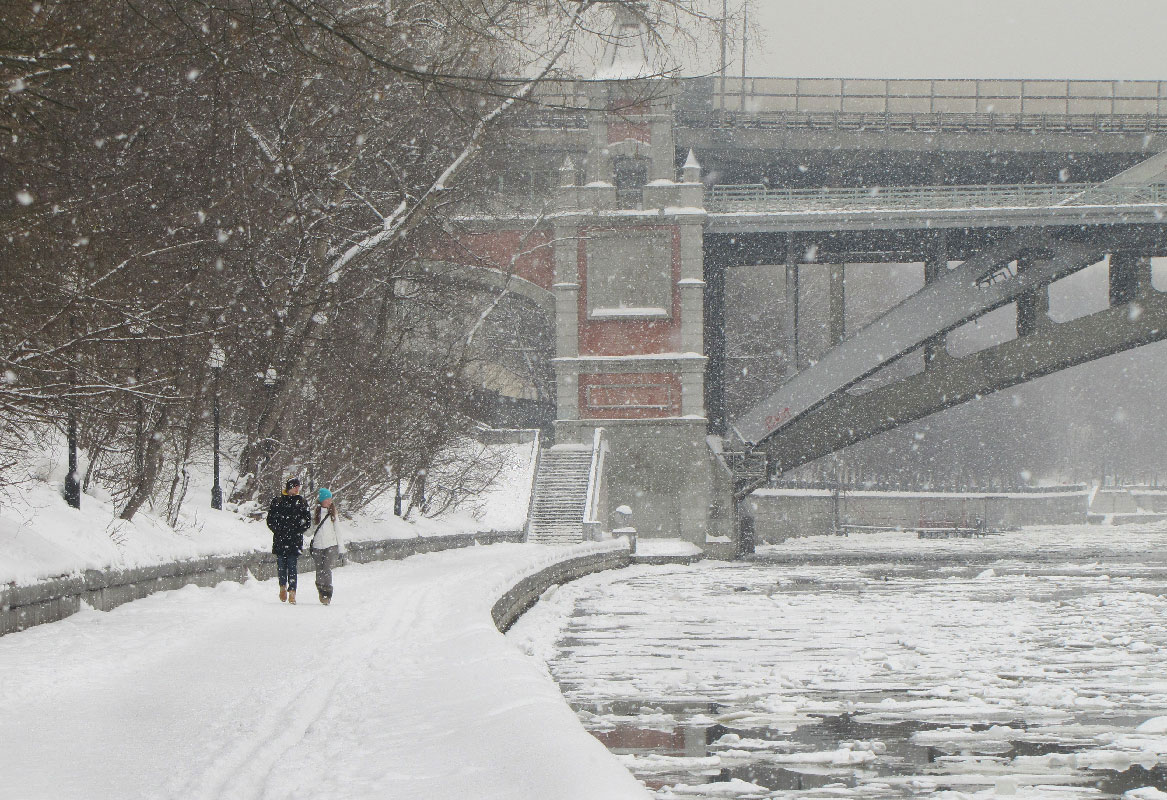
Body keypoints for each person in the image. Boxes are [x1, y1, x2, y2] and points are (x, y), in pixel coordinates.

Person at [267, 477, 312, 604]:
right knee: (281, 565)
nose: (297, 489)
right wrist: (278, 530)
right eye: (295, 486)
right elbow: (270, 519)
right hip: (280, 539)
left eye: (298, 486)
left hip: (294, 540)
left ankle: (292, 592)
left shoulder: (302, 502)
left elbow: (307, 521)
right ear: (290, 487)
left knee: (292, 566)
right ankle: (282, 587)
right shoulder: (278, 501)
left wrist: (298, 530)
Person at [309, 487, 344, 605]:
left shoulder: (333, 513)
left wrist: (341, 548)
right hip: (318, 546)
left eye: (331, 499)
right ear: (322, 500)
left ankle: (327, 594)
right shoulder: (314, 513)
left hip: (331, 545)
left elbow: (338, 530)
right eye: (328, 499)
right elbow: (310, 531)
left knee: (327, 569)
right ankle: (321, 591)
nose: (330, 502)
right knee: (319, 571)